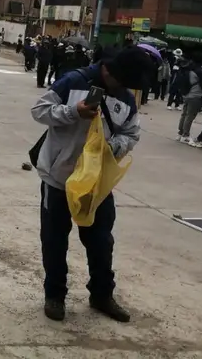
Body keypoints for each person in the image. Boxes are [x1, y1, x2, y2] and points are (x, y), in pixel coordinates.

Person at [30, 46, 149, 323]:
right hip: (59, 179)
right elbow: (39, 111)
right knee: (54, 239)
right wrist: (74, 112)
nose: (126, 89)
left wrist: (111, 147)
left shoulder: (126, 98)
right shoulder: (74, 81)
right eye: (125, 82)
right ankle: (55, 296)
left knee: (101, 241)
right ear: (112, 71)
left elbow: (132, 134)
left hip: (96, 184)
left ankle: (101, 295)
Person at [176, 57, 202, 146]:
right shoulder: (199, 72)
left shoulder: (186, 71)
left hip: (186, 95)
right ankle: (185, 135)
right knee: (190, 116)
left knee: (184, 114)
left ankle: (180, 133)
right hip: (196, 96)